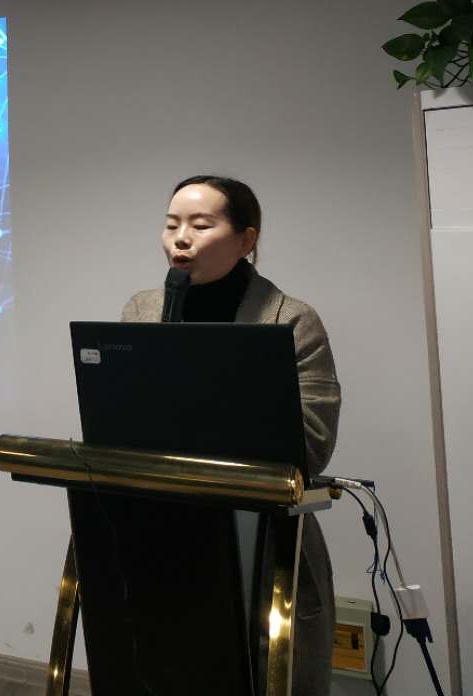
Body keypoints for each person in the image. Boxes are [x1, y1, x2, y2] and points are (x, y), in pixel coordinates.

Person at [120, 174, 342, 696]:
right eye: (172, 224)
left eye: (200, 225)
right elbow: (121, 419)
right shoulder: (142, 310)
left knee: (266, 677)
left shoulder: (292, 319)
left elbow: (311, 443)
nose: (180, 238)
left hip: (262, 540)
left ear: (246, 240)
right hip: (165, 534)